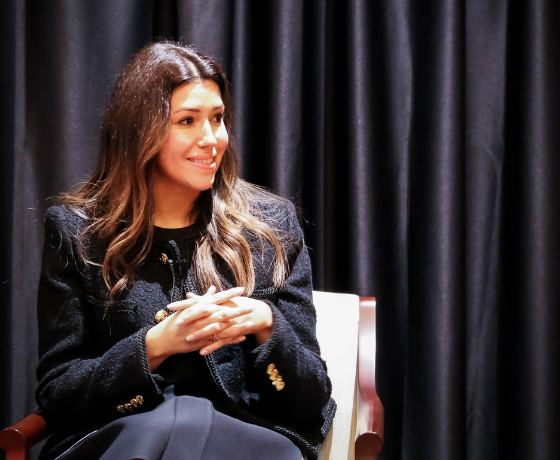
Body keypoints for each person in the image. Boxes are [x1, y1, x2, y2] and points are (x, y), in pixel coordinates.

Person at [35, 41, 335, 460]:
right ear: (141, 130)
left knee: (196, 422)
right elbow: (59, 392)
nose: (211, 138)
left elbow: (312, 397)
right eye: (187, 120)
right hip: (122, 435)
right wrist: (155, 345)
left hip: (247, 436)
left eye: (217, 118)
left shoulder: (271, 226)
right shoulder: (80, 232)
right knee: (175, 423)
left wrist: (268, 326)